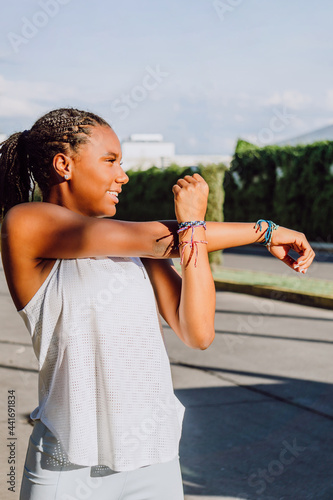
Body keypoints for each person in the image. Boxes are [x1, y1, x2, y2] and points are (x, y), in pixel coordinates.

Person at [0, 108, 315, 500]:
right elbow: (157, 238)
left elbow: (198, 332)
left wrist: (195, 227)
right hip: (69, 469)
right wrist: (262, 230)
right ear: (64, 164)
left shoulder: (137, 252)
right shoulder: (26, 223)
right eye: (110, 160)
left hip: (155, 464)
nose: (123, 176)